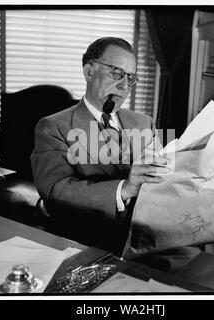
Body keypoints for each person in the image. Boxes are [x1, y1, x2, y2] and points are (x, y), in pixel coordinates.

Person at [31, 37, 201, 272]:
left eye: (130, 78)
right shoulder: (53, 126)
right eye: (116, 73)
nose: (124, 86)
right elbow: (55, 188)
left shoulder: (144, 123)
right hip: (90, 240)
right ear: (89, 71)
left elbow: (161, 182)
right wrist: (126, 188)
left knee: (203, 272)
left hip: (151, 236)